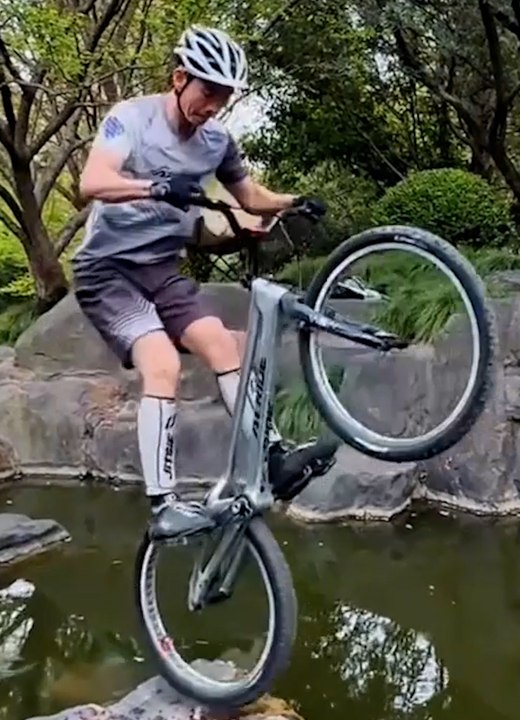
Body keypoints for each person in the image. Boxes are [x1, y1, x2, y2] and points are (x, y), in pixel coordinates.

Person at [73, 25, 337, 539]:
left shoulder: (217, 143)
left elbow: (250, 195)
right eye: (207, 92)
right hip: (108, 272)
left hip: (162, 269)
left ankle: (274, 457)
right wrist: (153, 185)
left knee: (221, 343)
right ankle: (163, 506)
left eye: (224, 97)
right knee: (163, 363)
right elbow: (92, 182)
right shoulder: (130, 119)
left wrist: (292, 202)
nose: (213, 105)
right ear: (179, 79)